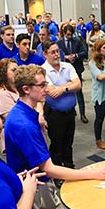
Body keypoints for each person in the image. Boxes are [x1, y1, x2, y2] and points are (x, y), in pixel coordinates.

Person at [4, 68, 105, 209]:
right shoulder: (23, 124)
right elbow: (49, 168)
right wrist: (88, 174)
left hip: (42, 184)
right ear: (26, 89)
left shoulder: (27, 112)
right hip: (35, 189)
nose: (47, 88)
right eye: (42, 85)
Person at [41, 41, 81, 169]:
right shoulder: (43, 71)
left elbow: (78, 85)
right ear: (45, 54)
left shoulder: (67, 66)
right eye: (53, 52)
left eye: (57, 51)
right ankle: (57, 171)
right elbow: (52, 92)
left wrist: (63, 88)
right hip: (54, 114)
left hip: (70, 112)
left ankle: (69, 167)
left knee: (68, 143)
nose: (57, 54)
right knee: (57, 145)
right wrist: (69, 85)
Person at [57, 25, 88, 124]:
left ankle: (82, 114)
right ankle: (71, 110)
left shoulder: (77, 41)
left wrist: (75, 55)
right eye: (67, 34)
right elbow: (57, 55)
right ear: (64, 33)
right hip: (64, 70)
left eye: (71, 34)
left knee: (79, 91)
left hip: (77, 68)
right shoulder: (59, 42)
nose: (69, 36)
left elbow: (85, 52)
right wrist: (66, 57)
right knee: (67, 91)